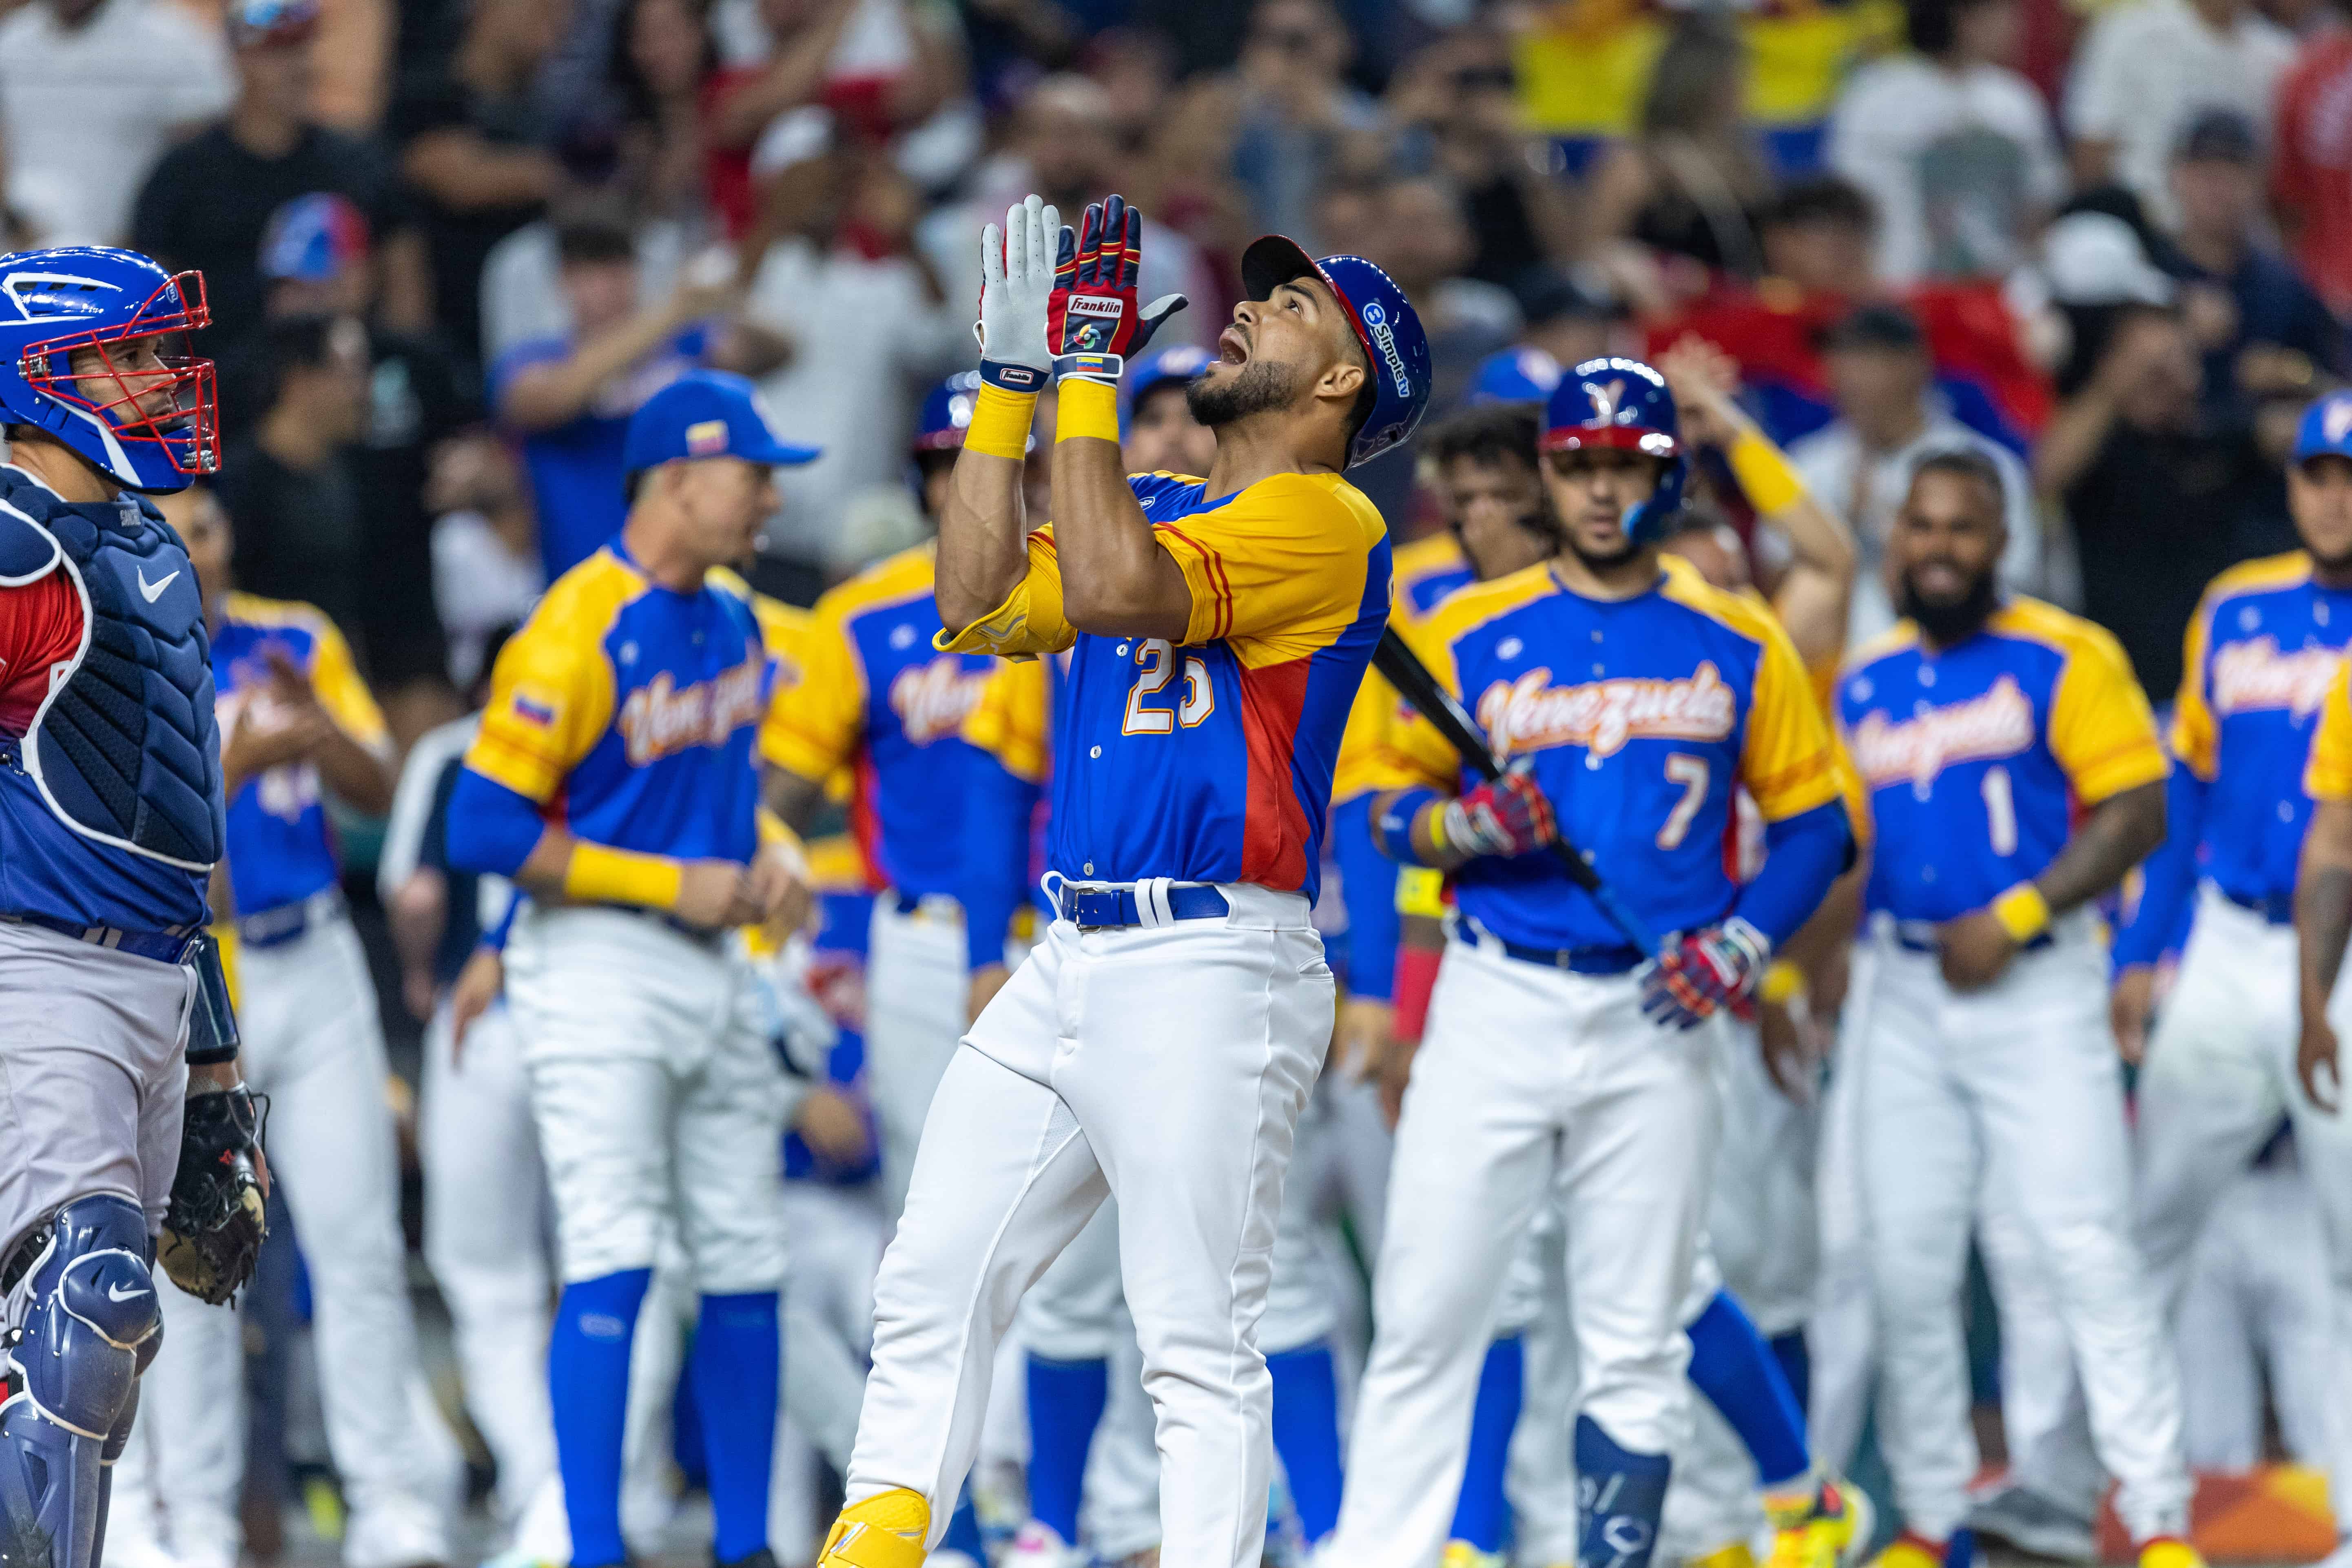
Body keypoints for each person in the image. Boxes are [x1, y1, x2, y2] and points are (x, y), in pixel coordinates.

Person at [813, 192, 1427, 1568]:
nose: (1255, 302)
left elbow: (1112, 595)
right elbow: (971, 599)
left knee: (1193, 1338)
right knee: (930, 1277)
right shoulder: (1151, 498)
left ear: (1341, 380)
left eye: (1296, 303)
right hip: (1073, 946)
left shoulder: (1329, 520)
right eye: (1263, 288)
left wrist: (1085, 374)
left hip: (1215, 957)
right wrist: (1015, 393)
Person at [1329, 354, 1854, 1568]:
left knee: (1633, 1336)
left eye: (1629, 466)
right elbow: (1380, 803)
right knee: (1425, 1314)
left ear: (1665, 476)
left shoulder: (1736, 636)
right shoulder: (1462, 629)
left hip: (1655, 1010)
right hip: (1494, 992)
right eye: (1579, 467)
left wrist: (1739, 943)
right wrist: (1460, 830)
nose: (1603, 491)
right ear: (1545, 476)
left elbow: (1814, 823)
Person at [445, 370, 819, 1568]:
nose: (769, 497)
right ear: (677, 478)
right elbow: (484, 830)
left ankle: (749, 1546)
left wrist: (768, 855)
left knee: (746, 1256)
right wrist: (674, 884)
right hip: (599, 961)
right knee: (612, 1248)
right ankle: (595, 1550)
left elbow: (720, 792)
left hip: (713, 961)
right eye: (752, 473)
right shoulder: (572, 624)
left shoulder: (737, 615)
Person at [1833, 447, 2195, 1568]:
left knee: (2084, 1246)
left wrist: (2024, 911)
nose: (1936, 547)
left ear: (2002, 542)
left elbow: (2137, 810)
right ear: (1892, 541)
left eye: (1961, 528)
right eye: (1919, 526)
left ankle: (2155, 1514)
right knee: (1904, 1256)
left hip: (2037, 987)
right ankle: (1935, 1513)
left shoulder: (2064, 652)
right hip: (1898, 986)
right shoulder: (1861, 678)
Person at [142, 484, 457, 1568]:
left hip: (315, 957)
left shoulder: (295, 636)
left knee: (359, 1240)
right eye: (176, 532)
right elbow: (179, 874)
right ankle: (199, 1521)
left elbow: (380, 787)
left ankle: (391, 1505)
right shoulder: (123, 658)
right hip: (196, 979)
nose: (199, 549)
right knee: (196, 1259)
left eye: (211, 527)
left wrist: (316, 736)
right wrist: (238, 766)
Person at [0, 246, 248, 1568]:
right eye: (133, 354)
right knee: (85, 1306)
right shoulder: (9, 536)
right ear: (41, 379)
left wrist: (213, 1054)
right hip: (34, 966)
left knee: (86, 1368)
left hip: (153, 977)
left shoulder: (149, 541)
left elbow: (180, 821)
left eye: (164, 353)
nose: (163, 378)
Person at [2086, 391, 2352, 1568]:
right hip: (2232, 939)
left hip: (2342, 960)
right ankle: (2120, 1495)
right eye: (2315, 473)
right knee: (2143, 1230)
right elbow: (2183, 788)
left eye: (2348, 474)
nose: (2332, 495)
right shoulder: (2233, 605)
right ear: (2290, 486)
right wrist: (2145, 948)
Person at [759, 370, 1001, 1218]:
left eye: (998, 456)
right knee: (927, 1206)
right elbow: (779, 802)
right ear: (923, 482)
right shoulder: (860, 614)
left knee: (1084, 1239)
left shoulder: (1099, 595)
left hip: (1064, 926)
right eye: (952, 464)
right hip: (925, 940)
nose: (976, 479)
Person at [493, 216, 782, 582]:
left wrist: (726, 296)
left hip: (687, 579)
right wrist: (673, 311)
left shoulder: (679, 345)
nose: (614, 286)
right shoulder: (534, 358)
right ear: (566, 279)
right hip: (580, 582)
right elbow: (546, 401)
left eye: (622, 268)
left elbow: (776, 352)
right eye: (597, 271)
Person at [130, 0, 427, 353]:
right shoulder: (181, 177)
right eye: (275, 51)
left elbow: (407, 300)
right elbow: (150, 317)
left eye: (302, 46)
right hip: (222, 388)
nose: (296, 65)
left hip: (340, 378)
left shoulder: (360, 166)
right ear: (237, 57)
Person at [1787, 304, 2040, 646]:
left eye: (1866, 357)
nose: (1846, 372)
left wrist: (1912, 550)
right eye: (1839, 356)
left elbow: (2018, 582)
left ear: (1913, 365)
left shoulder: (1986, 466)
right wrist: (1840, 535)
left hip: (1962, 663)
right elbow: (1774, 581)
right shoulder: (1806, 464)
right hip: (1836, 676)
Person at [1826, 0, 2064, 284]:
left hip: (2000, 289)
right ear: (1961, 18)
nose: (2016, 25)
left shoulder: (2015, 99)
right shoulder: (1876, 96)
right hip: (1903, 282)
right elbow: (1850, 204)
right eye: (2001, 11)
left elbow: (2039, 203)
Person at [2157, 108, 2345, 430]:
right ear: (2177, 178)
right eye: (2206, 174)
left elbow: (2339, 389)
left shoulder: (2283, 285)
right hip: (2161, 463)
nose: (2219, 190)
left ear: (2259, 184)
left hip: (2266, 468)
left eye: (2234, 174)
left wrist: (2294, 374)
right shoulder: (2150, 274)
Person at [0, 0, 231, 247]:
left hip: (129, 249)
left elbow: (210, 151)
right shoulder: (11, 40)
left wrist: (156, 233)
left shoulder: (174, 40)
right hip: (21, 245)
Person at [2066, 0, 2295, 229]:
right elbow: (2091, 149)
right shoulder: (2128, 30)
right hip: (2138, 229)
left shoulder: (2282, 57)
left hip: (2235, 240)